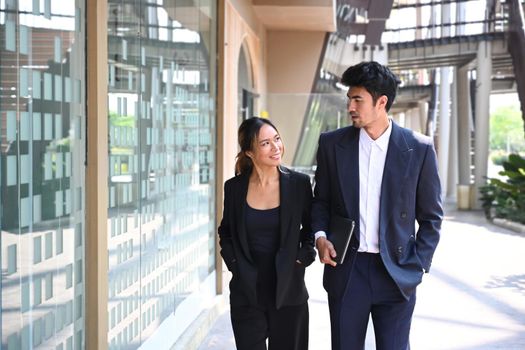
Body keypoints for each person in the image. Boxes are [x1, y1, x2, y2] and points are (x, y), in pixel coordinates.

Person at [312, 61, 443, 350]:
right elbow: (320, 200)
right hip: (348, 270)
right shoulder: (332, 145)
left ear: (381, 102)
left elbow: (432, 217)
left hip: (396, 272)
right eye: (349, 99)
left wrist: (417, 264)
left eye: (358, 99)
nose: (350, 107)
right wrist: (320, 237)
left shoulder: (418, 149)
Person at [218, 117, 316, 350]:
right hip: (247, 293)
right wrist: (235, 265)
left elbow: (311, 228)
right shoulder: (234, 188)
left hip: (289, 292)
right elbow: (227, 232)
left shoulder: (299, 184)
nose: (276, 147)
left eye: (277, 139)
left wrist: (304, 256)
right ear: (249, 152)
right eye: (265, 143)